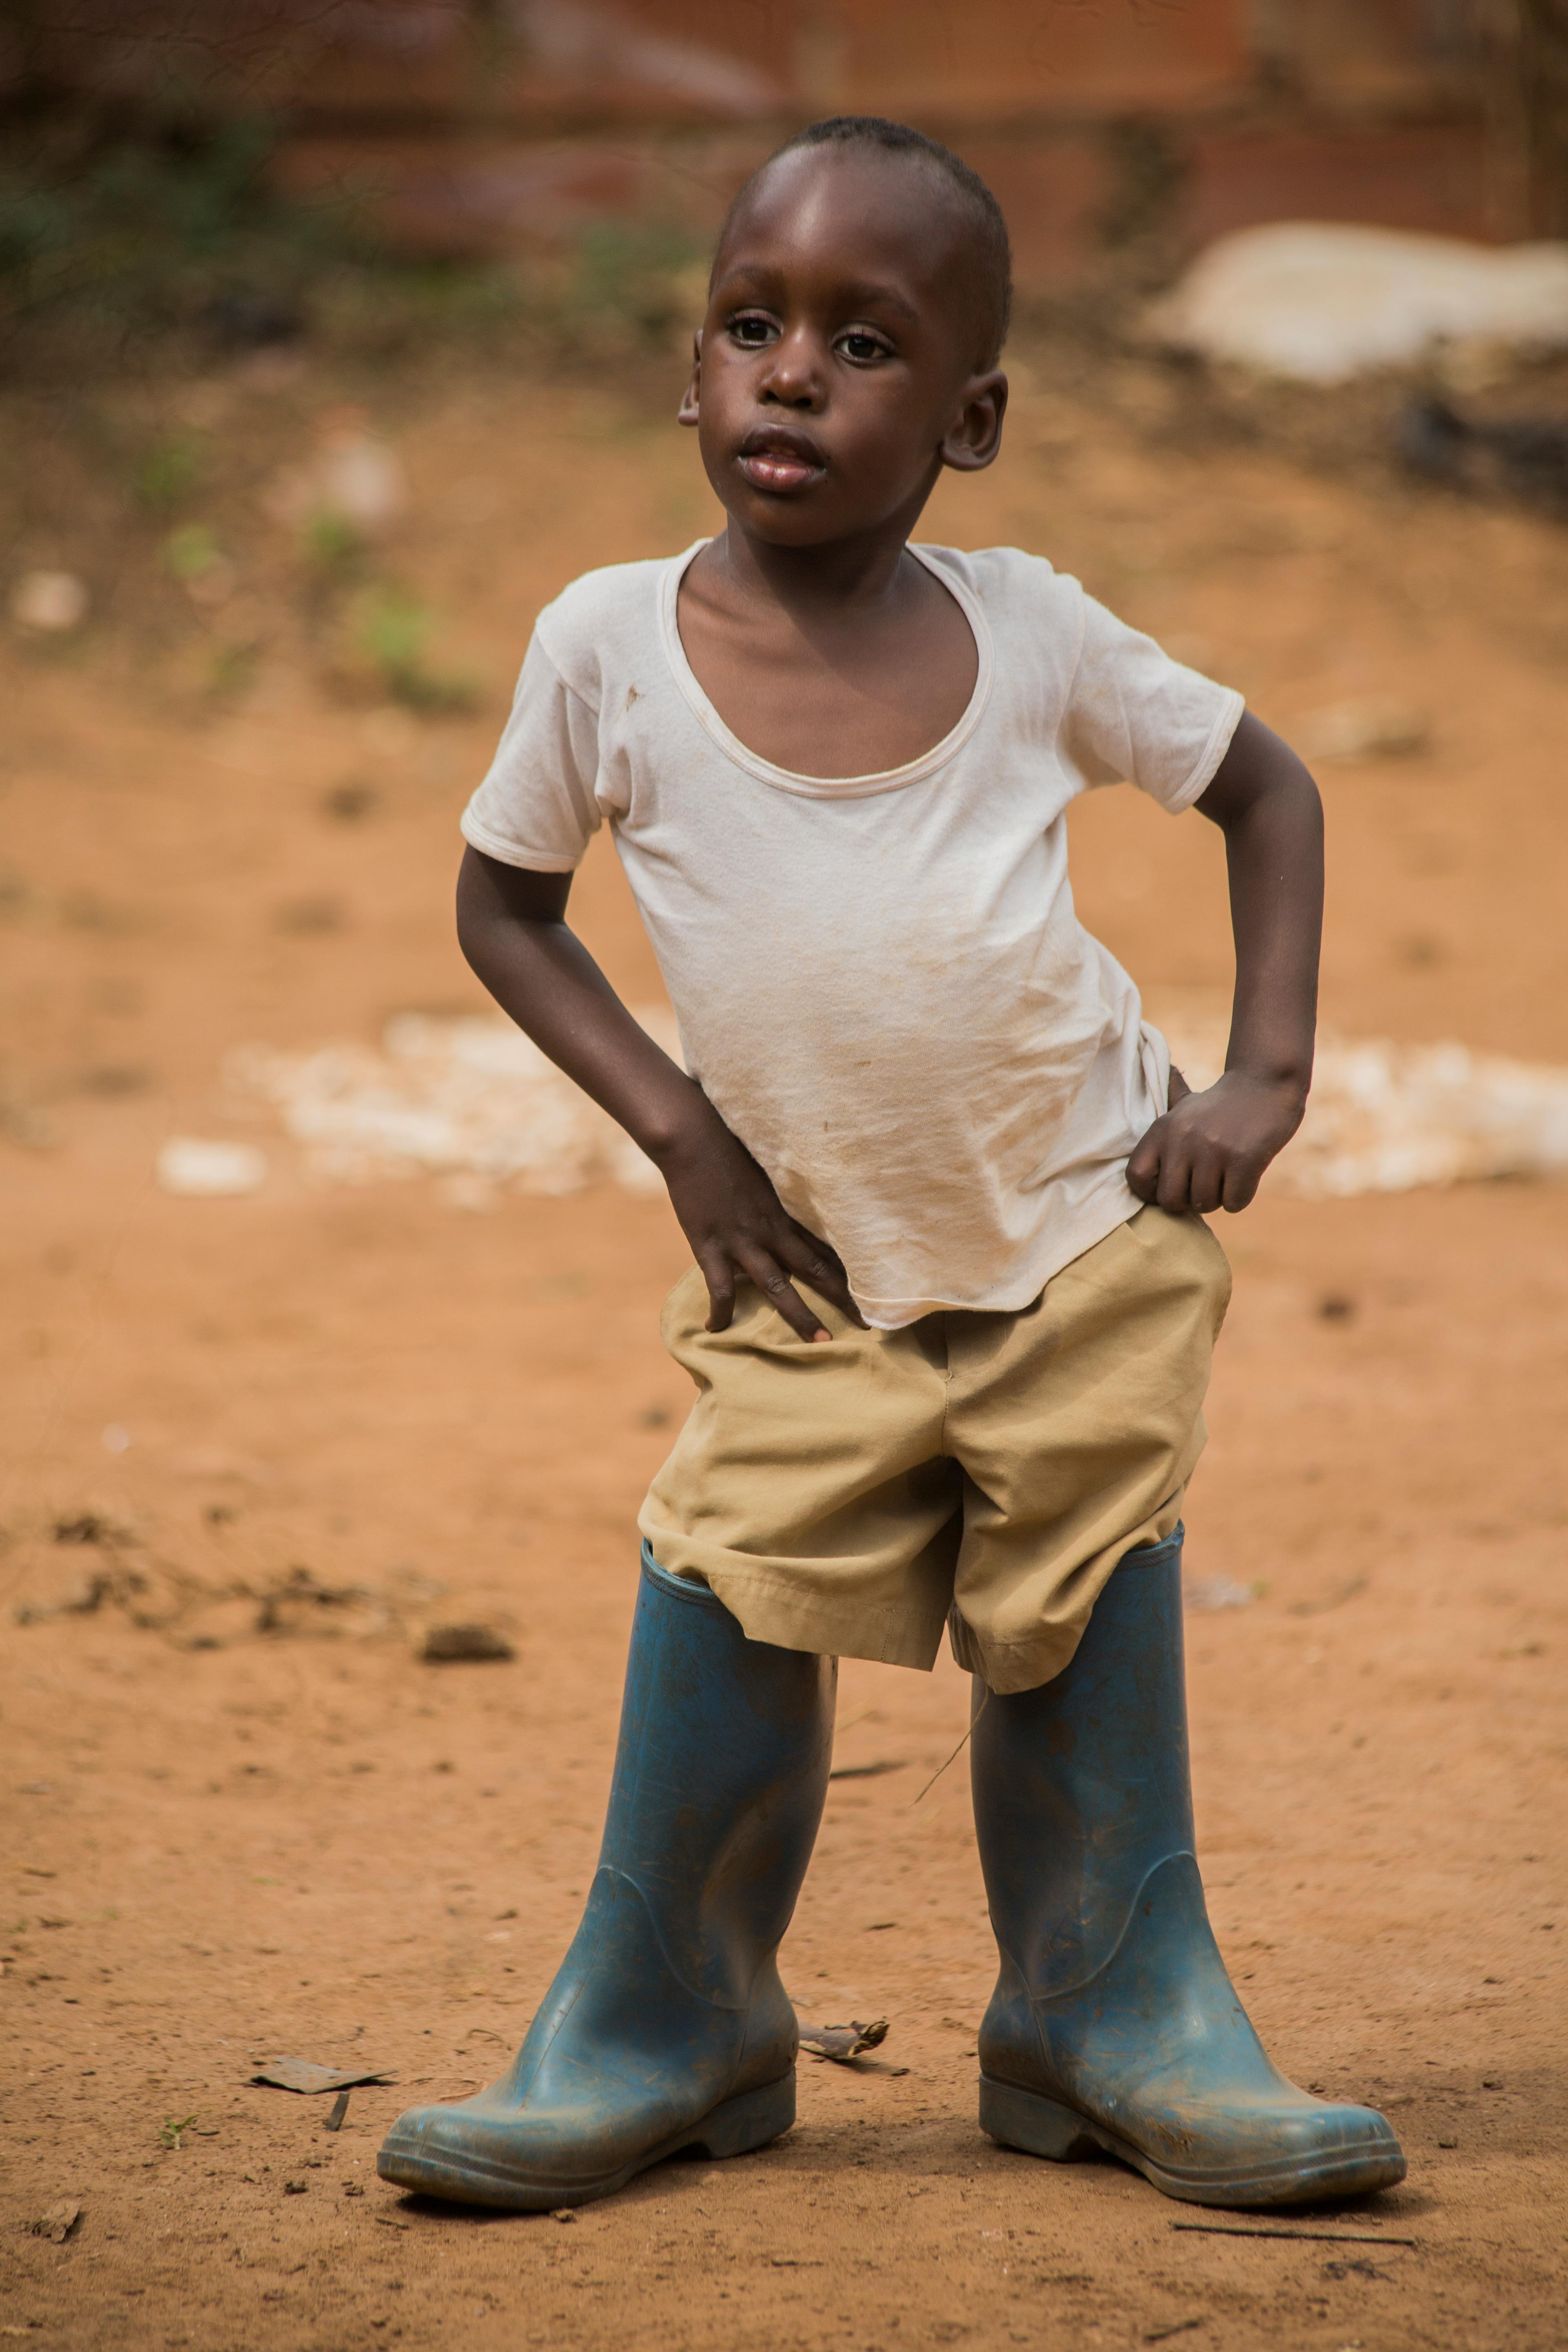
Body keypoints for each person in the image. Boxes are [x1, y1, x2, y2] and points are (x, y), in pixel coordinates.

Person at [377, 116, 1405, 2215]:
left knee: (1079, 1589)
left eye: (866, 343)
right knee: (734, 1571)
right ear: (689, 375)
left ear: (974, 415)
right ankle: (668, 2020)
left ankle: (1109, 2011)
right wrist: (679, 1135)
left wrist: (1263, 1075)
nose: (790, 375)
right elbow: (503, 905)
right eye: (751, 327)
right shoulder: (606, 647)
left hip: (1084, 1231)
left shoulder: (1031, 634)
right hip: (804, 1270)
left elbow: (1268, 789)